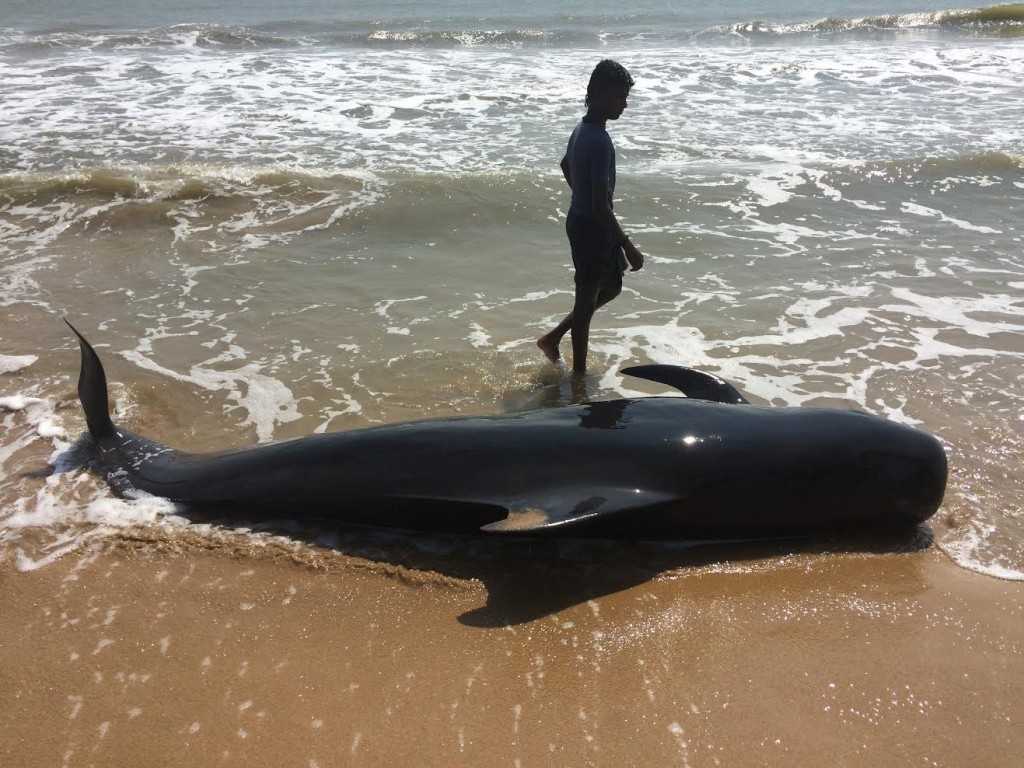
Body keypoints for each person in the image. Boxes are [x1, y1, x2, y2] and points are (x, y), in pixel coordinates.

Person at [537, 59, 644, 375]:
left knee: (610, 287)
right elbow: (601, 207)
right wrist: (628, 245)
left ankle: (554, 337)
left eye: (625, 98)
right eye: (618, 97)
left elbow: (565, 165)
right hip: (591, 229)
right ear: (596, 93)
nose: (623, 105)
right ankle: (579, 375)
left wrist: (580, 193)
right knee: (586, 302)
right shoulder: (599, 141)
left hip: (583, 220)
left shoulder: (582, 129)